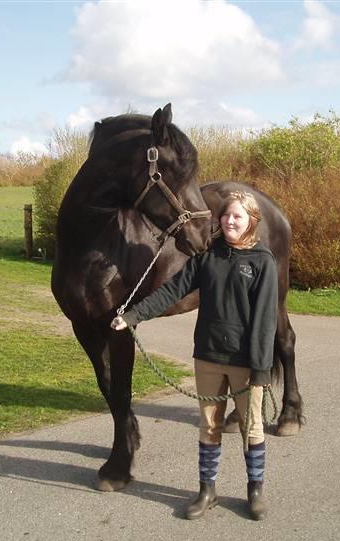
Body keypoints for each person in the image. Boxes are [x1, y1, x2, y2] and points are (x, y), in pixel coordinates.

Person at [111, 190, 278, 521]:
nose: (230, 221)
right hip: (208, 356)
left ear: (251, 222)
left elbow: (265, 321)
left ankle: (254, 490)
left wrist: (261, 368)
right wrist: (132, 316)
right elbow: (173, 290)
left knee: (252, 427)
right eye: (227, 215)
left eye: (238, 216)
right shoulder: (207, 257)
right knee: (209, 426)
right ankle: (207, 490)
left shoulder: (262, 262)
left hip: (246, 363)